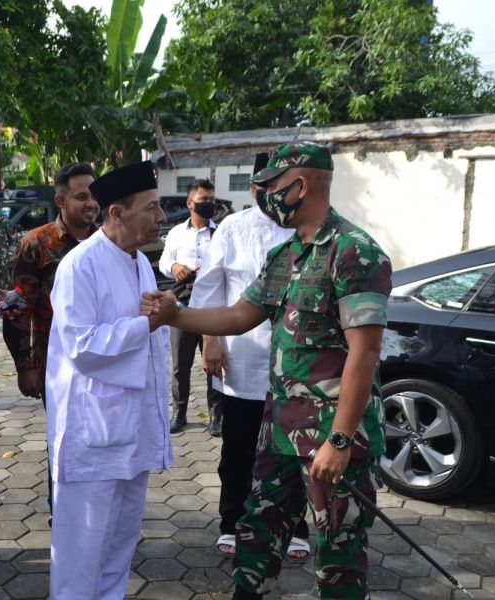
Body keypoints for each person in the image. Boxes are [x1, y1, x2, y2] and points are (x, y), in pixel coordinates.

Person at [141, 142, 392, 600]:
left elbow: (365, 353)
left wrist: (339, 441)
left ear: (299, 185)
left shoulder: (354, 252)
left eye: (271, 185)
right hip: (280, 430)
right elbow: (238, 316)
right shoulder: (287, 255)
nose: (264, 194)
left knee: (337, 546)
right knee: (258, 528)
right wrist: (175, 315)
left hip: (332, 437)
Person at [46, 160, 173, 599]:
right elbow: (81, 345)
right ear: (116, 213)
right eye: (152, 208)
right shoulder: (80, 265)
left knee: (120, 539)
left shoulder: (138, 261)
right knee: (82, 547)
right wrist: (148, 325)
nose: (162, 218)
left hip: (131, 428)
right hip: (92, 433)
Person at [191, 152, 310, 561]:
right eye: (265, 186)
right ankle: (232, 521)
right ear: (253, 187)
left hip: (297, 364)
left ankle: (295, 526)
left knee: (293, 449)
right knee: (239, 448)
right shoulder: (232, 228)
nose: (273, 194)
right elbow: (208, 289)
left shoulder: (309, 227)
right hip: (241, 358)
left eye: (281, 185)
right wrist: (210, 340)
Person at [2, 163, 99, 520]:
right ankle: (65, 516)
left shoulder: (107, 240)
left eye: (94, 195)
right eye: (82, 196)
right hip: (55, 366)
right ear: (60, 200)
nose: (91, 203)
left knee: (101, 441)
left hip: (102, 363)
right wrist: (25, 367)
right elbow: (18, 309)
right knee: (65, 443)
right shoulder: (36, 244)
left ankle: (98, 512)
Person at [159, 177, 220, 434]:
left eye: (211, 200)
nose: (208, 204)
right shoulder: (175, 233)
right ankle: (179, 413)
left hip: (212, 306)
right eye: (203, 200)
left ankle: (217, 416)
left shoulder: (221, 233)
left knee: (214, 364)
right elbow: (164, 261)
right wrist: (175, 267)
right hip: (182, 304)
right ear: (190, 203)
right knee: (180, 364)